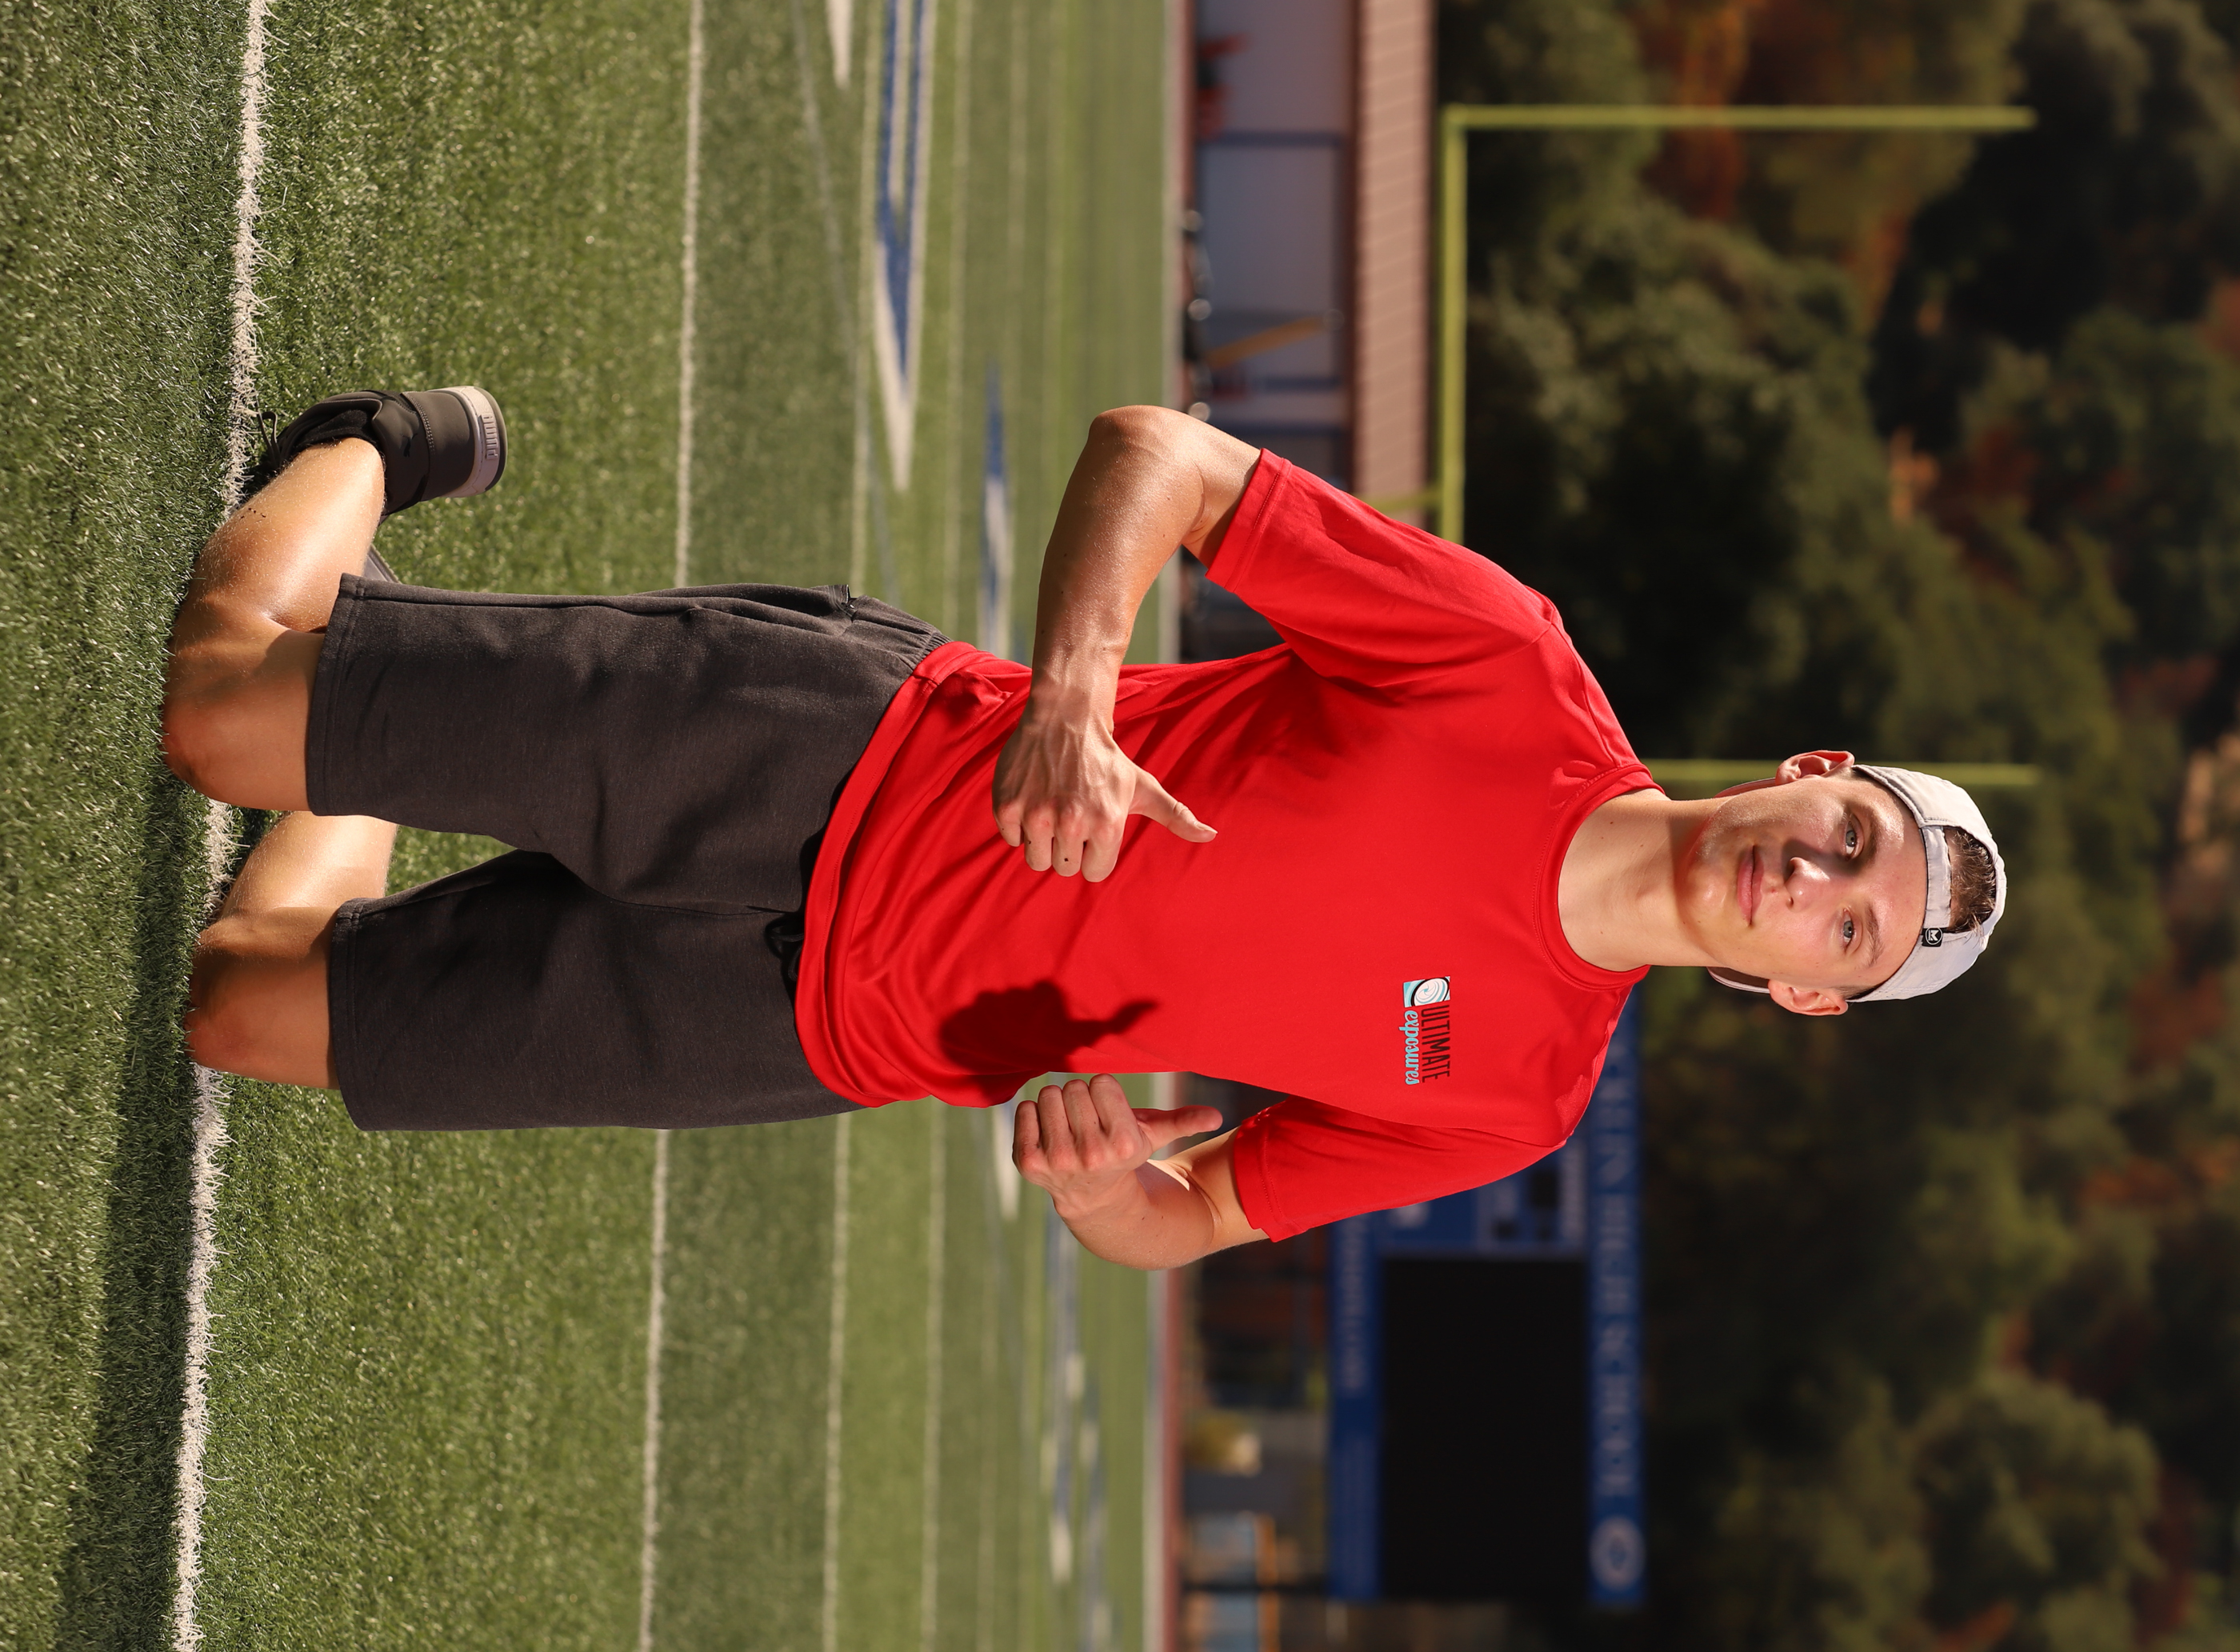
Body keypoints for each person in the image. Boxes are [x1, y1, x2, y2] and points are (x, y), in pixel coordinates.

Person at [165, 389, 2006, 1270]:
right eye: (1846, 836)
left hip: (819, 1030)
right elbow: (1161, 454)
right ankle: (382, 452)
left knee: (240, 1007)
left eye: (1844, 930)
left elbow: (1184, 1218)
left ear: (1805, 996)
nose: (1807, 881)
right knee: (219, 715)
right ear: (1811, 766)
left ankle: (383, 756)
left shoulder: (1511, 1098)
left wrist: (1095, 1174)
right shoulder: (1510, 673)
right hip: (841, 754)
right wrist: (1072, 692)